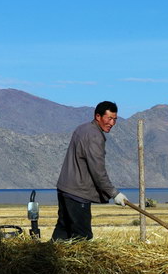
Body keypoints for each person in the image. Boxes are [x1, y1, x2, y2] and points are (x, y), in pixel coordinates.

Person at [51, 101, 129, 240]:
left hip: (65, 189)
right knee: (82, 237)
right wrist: (114, 193)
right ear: (98, 116)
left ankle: (45, 260)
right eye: (109, 118)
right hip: (77, 193)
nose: (112, 123)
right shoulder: (94, 136)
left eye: (114, 119)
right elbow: (97, 170)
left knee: (63, 233)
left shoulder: (82, 128)